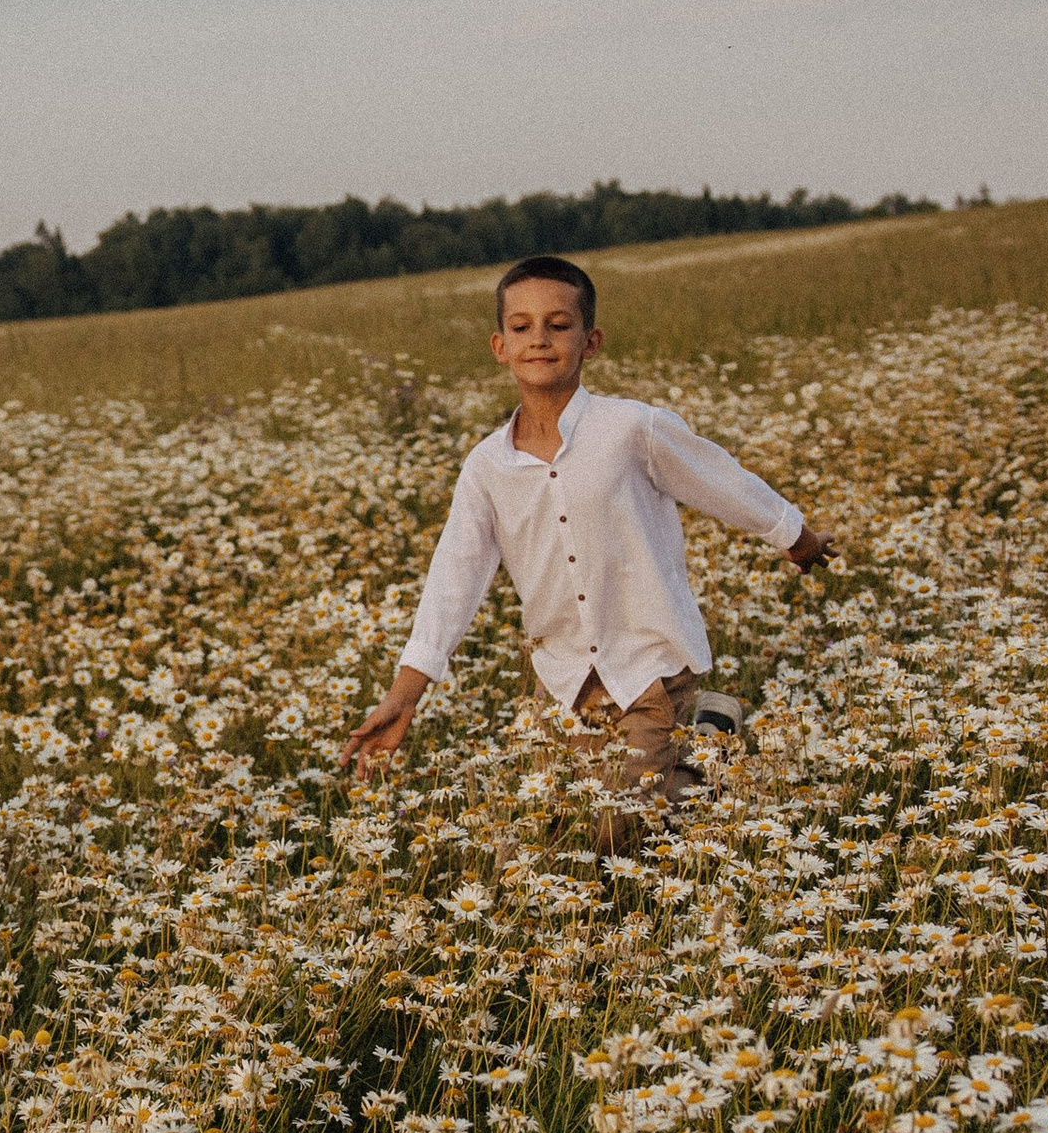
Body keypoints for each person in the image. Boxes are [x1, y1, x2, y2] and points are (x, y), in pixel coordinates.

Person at [341, 254, 831, 821]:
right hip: (564, 680)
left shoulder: (630, 429)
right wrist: (404, 698)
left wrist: (796, 536)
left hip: (651, 665)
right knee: (539, 837)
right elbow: (454, 578)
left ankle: (702, 751)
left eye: (559, 324)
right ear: (499, 347)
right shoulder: (486, 467)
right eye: (521, 327)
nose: (539, 340)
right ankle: (706, 741)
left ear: (590, 341)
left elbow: (720, 479)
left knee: (618, 824)